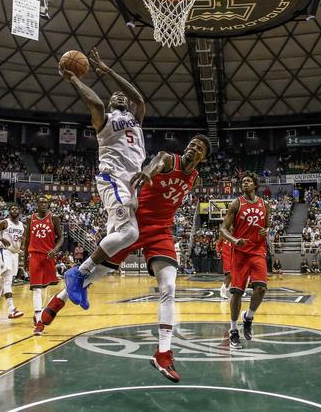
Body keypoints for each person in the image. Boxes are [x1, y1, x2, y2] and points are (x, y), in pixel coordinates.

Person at [41, 136, 209, 382]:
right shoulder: (166, 158)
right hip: (136, 223)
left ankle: (163, 354)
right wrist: (146, 173)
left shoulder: (195, 178)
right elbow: (152, 167)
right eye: (191, 144)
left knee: (169, 286)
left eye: (199, 149)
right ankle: (58, 300)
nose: (192, 148)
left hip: (161, 231)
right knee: (97, 274)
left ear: (202, 158)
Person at [61, 48, 147, 310]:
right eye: (115, 97)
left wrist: (109, 72)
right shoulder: (105, 119)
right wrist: (74, 79)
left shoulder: (135, 117)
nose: (120, 97)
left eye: (122, 97)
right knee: (129, 232)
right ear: (111, 105)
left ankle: (82, 283)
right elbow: (96, 104)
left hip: (130, 185)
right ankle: (78, 273)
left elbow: (139, 99)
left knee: (119, 246)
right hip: (113, 178)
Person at [220, 172, 269, 350]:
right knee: (237, 293)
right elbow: (223, 228)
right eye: (242, 182)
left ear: (255, 185)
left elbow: (267, 226)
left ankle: (248, 317)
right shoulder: (236, 203)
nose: (245, 183)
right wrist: (234, 240)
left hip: (257, 250)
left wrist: (266, 232)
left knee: (261, 288)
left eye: (248, 181)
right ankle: (233, 330)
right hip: (240, 252)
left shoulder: (265, 204)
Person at [27, 196, 63, 335]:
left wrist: (55, 250)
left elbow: (61, 237)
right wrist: (25, 258)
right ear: (36, 204)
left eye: (45, 202)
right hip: (34, 255)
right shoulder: (30, 219)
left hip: (48, 256)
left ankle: (39, 312)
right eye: (41, 202)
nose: (43, 204)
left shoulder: (54, 218)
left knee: (45, 287)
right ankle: (40, 322)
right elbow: (27, 239)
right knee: (36, 288)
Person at [0, 205, 25, 322]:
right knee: (7, 280)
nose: (14, 210)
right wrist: (1, 239)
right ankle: (12, 309)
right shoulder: (4, 223)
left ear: (20, 211)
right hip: (4, 252)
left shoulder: (22, 226)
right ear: (9, 212)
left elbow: (24, 241)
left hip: (14, 254)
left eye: (16, 209)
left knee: (1, 283)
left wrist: (22, 246)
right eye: (12, 209)